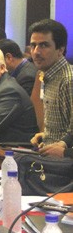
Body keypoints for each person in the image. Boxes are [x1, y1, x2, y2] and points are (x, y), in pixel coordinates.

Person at [28, 19, 73, 156]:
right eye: (33, 45)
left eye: (44, 45)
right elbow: (65, 126)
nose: (36, 52)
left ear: (60, 50)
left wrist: (64, 150)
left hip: (63, 163)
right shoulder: (47, 75)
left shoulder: (69, 80)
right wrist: (47, 135)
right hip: (49, 156)